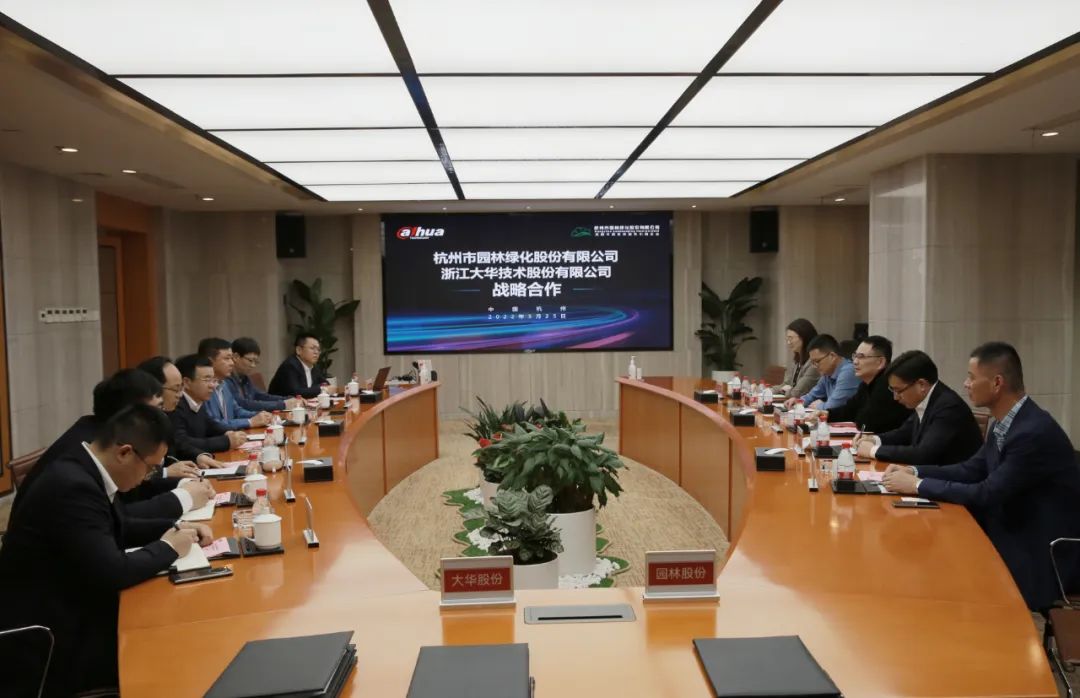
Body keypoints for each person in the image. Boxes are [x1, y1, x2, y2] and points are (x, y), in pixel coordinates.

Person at [0, 404, 212, 697]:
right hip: (52, 634)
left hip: (72, 601)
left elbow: (117, 526)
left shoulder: (83, 464)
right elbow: (113, 571)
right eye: (150, 468)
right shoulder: (72, 485)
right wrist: (168, 548)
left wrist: (176, 528)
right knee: (174, 645)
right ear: (124, 453)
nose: (149, 477)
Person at [883, 342, 1080, 611]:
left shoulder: (1032, 432)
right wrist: (914, 471)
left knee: (942, 568)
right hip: (1008, 526)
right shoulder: (1005, 421)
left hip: (1037, 547)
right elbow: (971, 469)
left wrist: (917, 485)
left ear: (997, 383)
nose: (965, 384)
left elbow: (988, 493)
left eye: (971, 377)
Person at [12, 369, 212, 522]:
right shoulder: (90, 450)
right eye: (154, 411)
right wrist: (183, 498)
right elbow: (118, 516)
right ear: (127, 412)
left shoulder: (102, 431)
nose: (160, 417)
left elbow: (139, 487)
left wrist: (183, 484)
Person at [856, 350, 983, 465]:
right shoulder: (928, 399)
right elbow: (904, 433)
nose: (895, 397)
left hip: (952, 479)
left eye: (899, 391)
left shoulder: (949, 407)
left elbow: (923, 454)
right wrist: (874, 439)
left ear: (921, 385)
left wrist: (873, 450)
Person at [138, 355, 227, 468]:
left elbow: (177, 444)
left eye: (181, 388)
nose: (180, 395)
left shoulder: (168, 412)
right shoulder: (135, 424)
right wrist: (166, 473)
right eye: (176, 389)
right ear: (154, 389)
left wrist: (198, 456)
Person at [822, 335, 911, 433]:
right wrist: (826, 414)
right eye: (855, 356)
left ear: (880, 362)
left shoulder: (887, 385)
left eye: (861, 357)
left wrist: (857, 416)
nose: (855, 362)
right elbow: (849, 410)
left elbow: (866, 424)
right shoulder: (866, 384)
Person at [170, 354, 246, 455]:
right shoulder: (175, 405)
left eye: (213, 380)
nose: (212, 386)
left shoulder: (198, 400)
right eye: (207, 380)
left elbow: (210, 424)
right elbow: (182, 443)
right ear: (187, 382)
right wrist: (226, 441)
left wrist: (228, 432)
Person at [198, 337, 273, 430]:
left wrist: (259, 415)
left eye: (231, 358)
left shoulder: (223, 384)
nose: (232, 363)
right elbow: (214, 423)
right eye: (227, 358)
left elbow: (237, 411)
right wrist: (250, 422)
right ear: (210, 361)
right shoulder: (201, 389)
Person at [783, 334, 859, 411]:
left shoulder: (848, 372)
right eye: (813, 363)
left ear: (832, 356)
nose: (815, 366)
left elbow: (833, 406)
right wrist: (798, 402)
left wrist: (820, 406)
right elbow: (812, 396)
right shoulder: (827, 373)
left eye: (817, 361)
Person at [228, 336, 300, 412]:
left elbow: (259, 395)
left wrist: (289, 399)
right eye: (250, 360)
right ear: (236, 357)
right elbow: (244, 404)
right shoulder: (227, 380)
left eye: (255, 362)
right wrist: (282, 404)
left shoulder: (244, 378)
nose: (253, 365)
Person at [268, 332, 329, 399]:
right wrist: (322, 389)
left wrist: (326, 387)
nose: (316, 352)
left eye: (318, 349)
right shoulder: (290, 366)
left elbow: (325, 384)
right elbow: (296, 393)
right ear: (299, 350)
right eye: (312, 348)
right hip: (280, 404)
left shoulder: (313, 367)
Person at [779, 318, 821, 398]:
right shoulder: (797, 360)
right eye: (787, 339)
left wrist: (785, 390)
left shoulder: (814, 362)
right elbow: (786, 383)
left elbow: (797, 392)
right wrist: (767, 391)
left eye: (791, 338)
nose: (788, 342)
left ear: (804, 337)